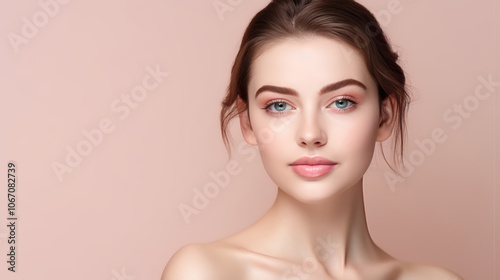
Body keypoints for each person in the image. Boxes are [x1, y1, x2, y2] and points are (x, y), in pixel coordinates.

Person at [162, 0, 463, 279]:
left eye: (342, 102)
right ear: (247, 122)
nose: (310, 135)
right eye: (279, 105)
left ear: (385, 115)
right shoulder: (206, 273)